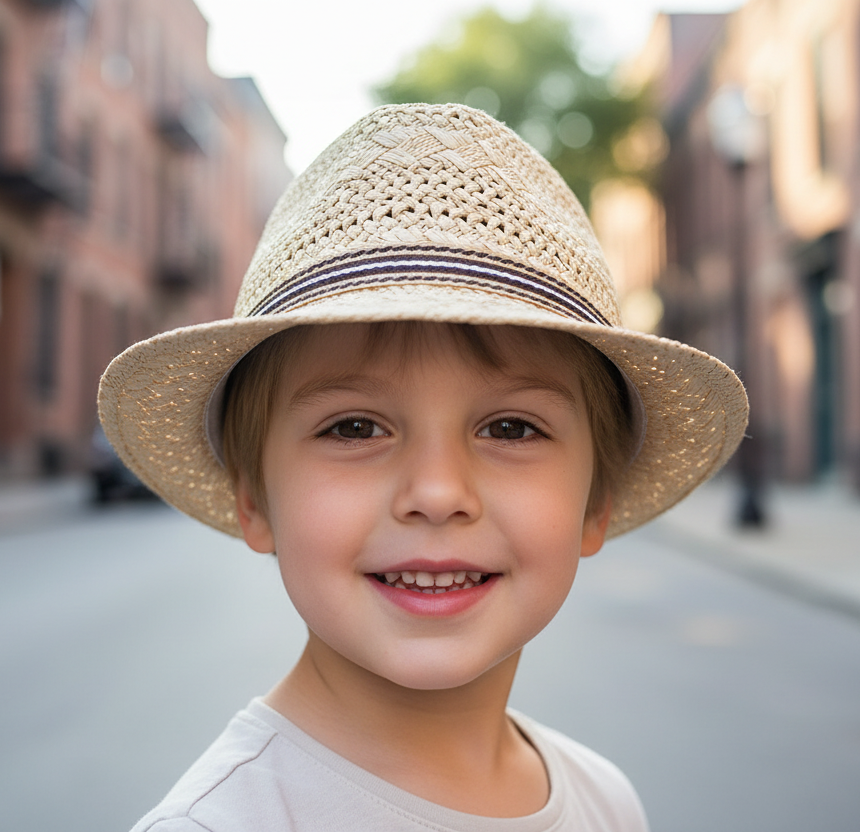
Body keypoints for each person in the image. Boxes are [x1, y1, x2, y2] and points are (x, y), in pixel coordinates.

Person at [98, 103, 747, 831]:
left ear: (595, 504)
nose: (438, 494)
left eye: (510, 427)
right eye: (354, 427)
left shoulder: (606, 802)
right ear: (255, 500)